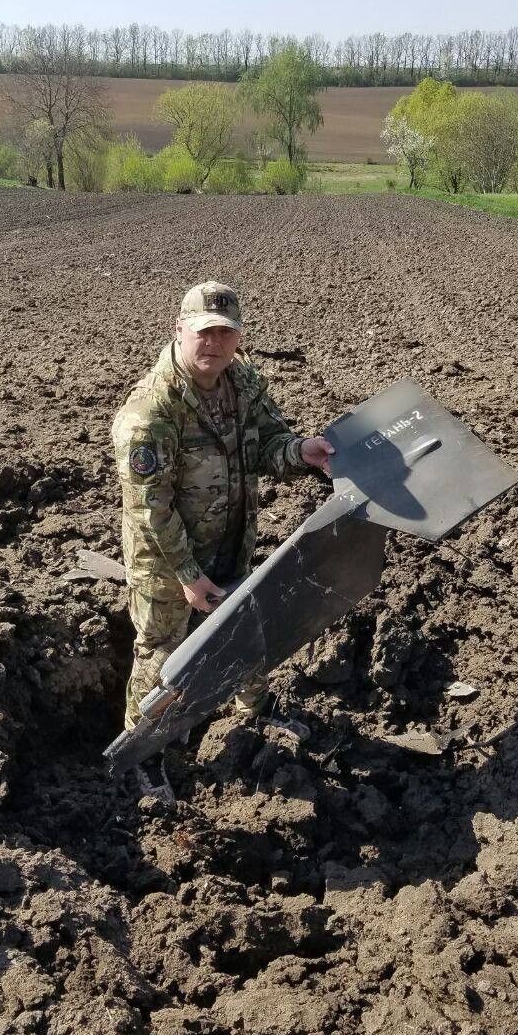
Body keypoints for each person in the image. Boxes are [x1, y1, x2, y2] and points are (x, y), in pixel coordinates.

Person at [112, 281, 334, 735]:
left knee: (242, 630)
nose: (214, 343)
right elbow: (149, 508)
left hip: (231, 542)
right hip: (166, 563)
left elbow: (269, 441)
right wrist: (188, 576)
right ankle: (143, 747)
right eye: (203, 332)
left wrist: (300, 451)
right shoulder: (150, 412)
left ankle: (255, 711)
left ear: (238, 336)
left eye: (225, 333)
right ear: (180, 330)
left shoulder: (242, 381)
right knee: (162, 655)